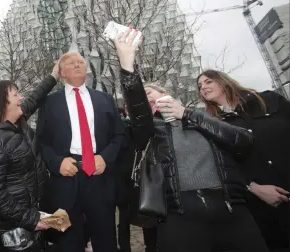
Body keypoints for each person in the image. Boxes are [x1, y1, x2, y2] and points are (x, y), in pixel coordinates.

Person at [114, 29, 269, 252]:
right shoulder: (150, 129)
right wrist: (127, 63)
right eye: (142, 95)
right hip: (180, 213)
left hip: (231, 209)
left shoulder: (204, 116)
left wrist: (186, 114)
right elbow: (137, 105)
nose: (145, 96)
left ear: (164, 94)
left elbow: (242, 141)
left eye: (150, 92)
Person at [37, 52, 125, 252]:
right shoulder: (49, 103)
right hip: (65, 178)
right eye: (71, 63)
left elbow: (119, 136)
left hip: (99, 175)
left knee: (106, 239)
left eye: (81, 62)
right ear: (61, 73)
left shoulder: (105, 99)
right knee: (67, 240)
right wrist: (56, 162)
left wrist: (105, 158)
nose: (77, 65)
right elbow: (41, 141)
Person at [197, 69, 290, 251]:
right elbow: (223, 166)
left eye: (208, 82)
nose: (203, 88)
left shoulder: (268, 100)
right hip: (266, 205)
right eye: (200, 86)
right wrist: (253, 187)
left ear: (223, 81)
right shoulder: (213, 125)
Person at [0, 62, 59, 252]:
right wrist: (30, 218)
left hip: (33, 218)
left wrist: (53, 76)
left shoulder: (17, 122)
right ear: (2, 103)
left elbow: (34, 98)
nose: (21, 97)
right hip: (16, 229)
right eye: (15, 95)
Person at [116, 105, 157, 252]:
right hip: (128, 178)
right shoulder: (125, 127)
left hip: (144, 177)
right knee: (126, 216)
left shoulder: (152, 125)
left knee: (148, 214)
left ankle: (149, 247)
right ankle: (125, 247)